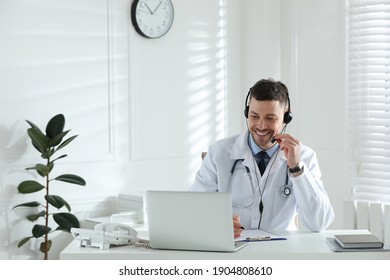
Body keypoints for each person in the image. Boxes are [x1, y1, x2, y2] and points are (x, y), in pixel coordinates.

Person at [190, 78, 334, 238]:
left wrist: (296, 169)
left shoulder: (305, 156)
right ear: (246, 113)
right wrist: (216, 223)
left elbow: (319, 222)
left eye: (270, 118)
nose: (261, 125)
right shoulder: (219, 153)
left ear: (286, 117)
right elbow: (194, 211)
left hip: (281, 250)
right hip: (233, 249)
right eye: (254, 116)